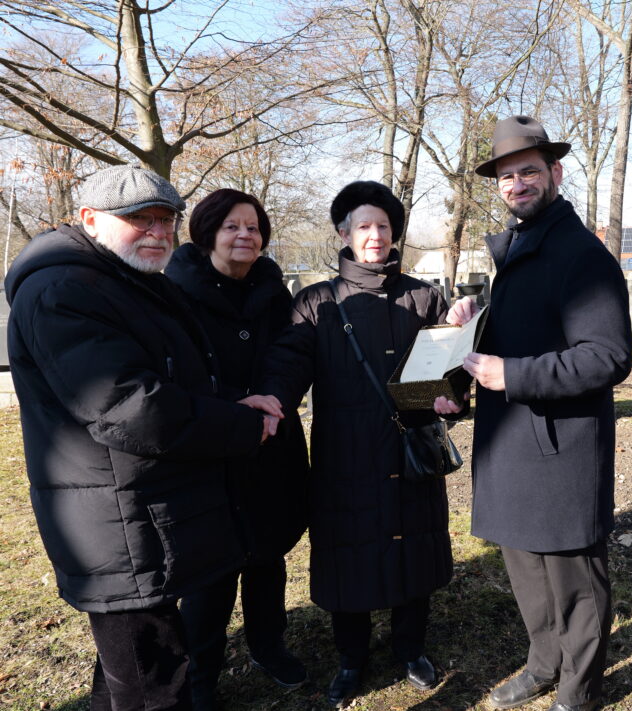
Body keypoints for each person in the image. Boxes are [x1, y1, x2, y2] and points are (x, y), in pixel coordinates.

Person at [4, 164, 274, 710]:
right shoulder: (62, 290)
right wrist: (244, 425)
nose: (157, 232)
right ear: (89, 220)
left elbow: (178, 377)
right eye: (139, 221)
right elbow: (131, 406)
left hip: (140, 507)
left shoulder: (124, 279)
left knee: (132, 673)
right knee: (151, 683)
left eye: (165, 220)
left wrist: (229, 403)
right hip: (116, 525)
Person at [245, 181, 460, 706]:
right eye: (364, 225)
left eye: (384, 225)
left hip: (413, 449)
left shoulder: (425, 295)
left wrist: (453, 392)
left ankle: (410, 648)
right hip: (347, 455)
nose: (375, 235)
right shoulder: (317, 302)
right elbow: (288, 361)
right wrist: (271, 398)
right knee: (349, 556)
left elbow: (448, 370)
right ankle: (351, 656)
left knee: (414, 544)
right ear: (343, 232)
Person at [449, 115, 632, 711]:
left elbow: (607, 357)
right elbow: (529, 327)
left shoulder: (582, 255)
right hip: (511, 442)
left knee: (574, 582)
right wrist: (476, 321)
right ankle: (543, 663)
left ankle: (579, 692)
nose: (516, 184)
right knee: (526, 569)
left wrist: (515, 374)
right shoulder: (521, 246)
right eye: (506, 176)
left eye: (528, 171)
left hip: (562, 445)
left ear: (554, 173)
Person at [164, 189, 310, 708]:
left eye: (253, 226)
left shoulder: (276, 291)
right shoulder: (175, 292)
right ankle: (201, 672)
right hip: (212, 447)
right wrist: (237, 406)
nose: (245, 235)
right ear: (206, 233)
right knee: (213, 567)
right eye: (232, 226)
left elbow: (293, 352)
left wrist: (273, 401)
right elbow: (176, 368)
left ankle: (267, 646)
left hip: (273, 444)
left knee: (268, 554)